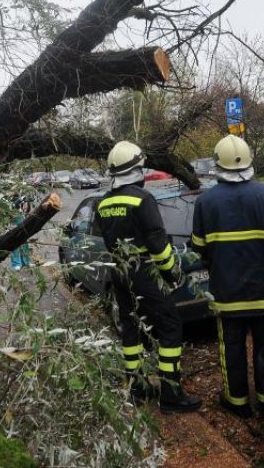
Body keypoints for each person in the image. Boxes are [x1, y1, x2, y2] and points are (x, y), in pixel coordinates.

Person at [94, 140, 202, 413]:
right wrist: (172, 274)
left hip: (119, 272)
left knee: (131, 329)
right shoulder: (143, 200)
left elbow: (107, 241)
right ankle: (171, 394)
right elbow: (158, 244)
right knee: (170, 327)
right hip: (144, 272)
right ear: (137, 170)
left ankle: (137, 388)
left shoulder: (103, 203)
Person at [191, 135, 264, 418]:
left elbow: (198, 247)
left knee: (232, 350)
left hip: (227, 293)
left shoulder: (206, 202)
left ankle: (236, 402)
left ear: (217, 164)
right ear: (248, 161)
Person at [9, 197, 33, 270]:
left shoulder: (22, 191)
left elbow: (27, 205)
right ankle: (16, 263)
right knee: (14, 242)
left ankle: (26, 261)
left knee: (24, 241)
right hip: (12, 217)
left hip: (22, 217)